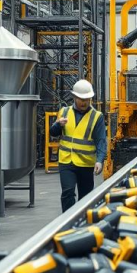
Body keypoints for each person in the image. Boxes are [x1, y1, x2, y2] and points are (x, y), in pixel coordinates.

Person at [51, 79, 107, 212]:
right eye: (82, 99)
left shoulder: (96, 116)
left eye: (87, 99)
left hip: (86, 164)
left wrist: (99, 161)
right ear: (74, 97)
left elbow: (101, 141)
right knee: (68, 192)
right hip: (66, 161)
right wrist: (58, 124)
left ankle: (82, 225)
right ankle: (67, 223)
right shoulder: (64, 112)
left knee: (86, 197)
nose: (85, 102)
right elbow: (53, 133)